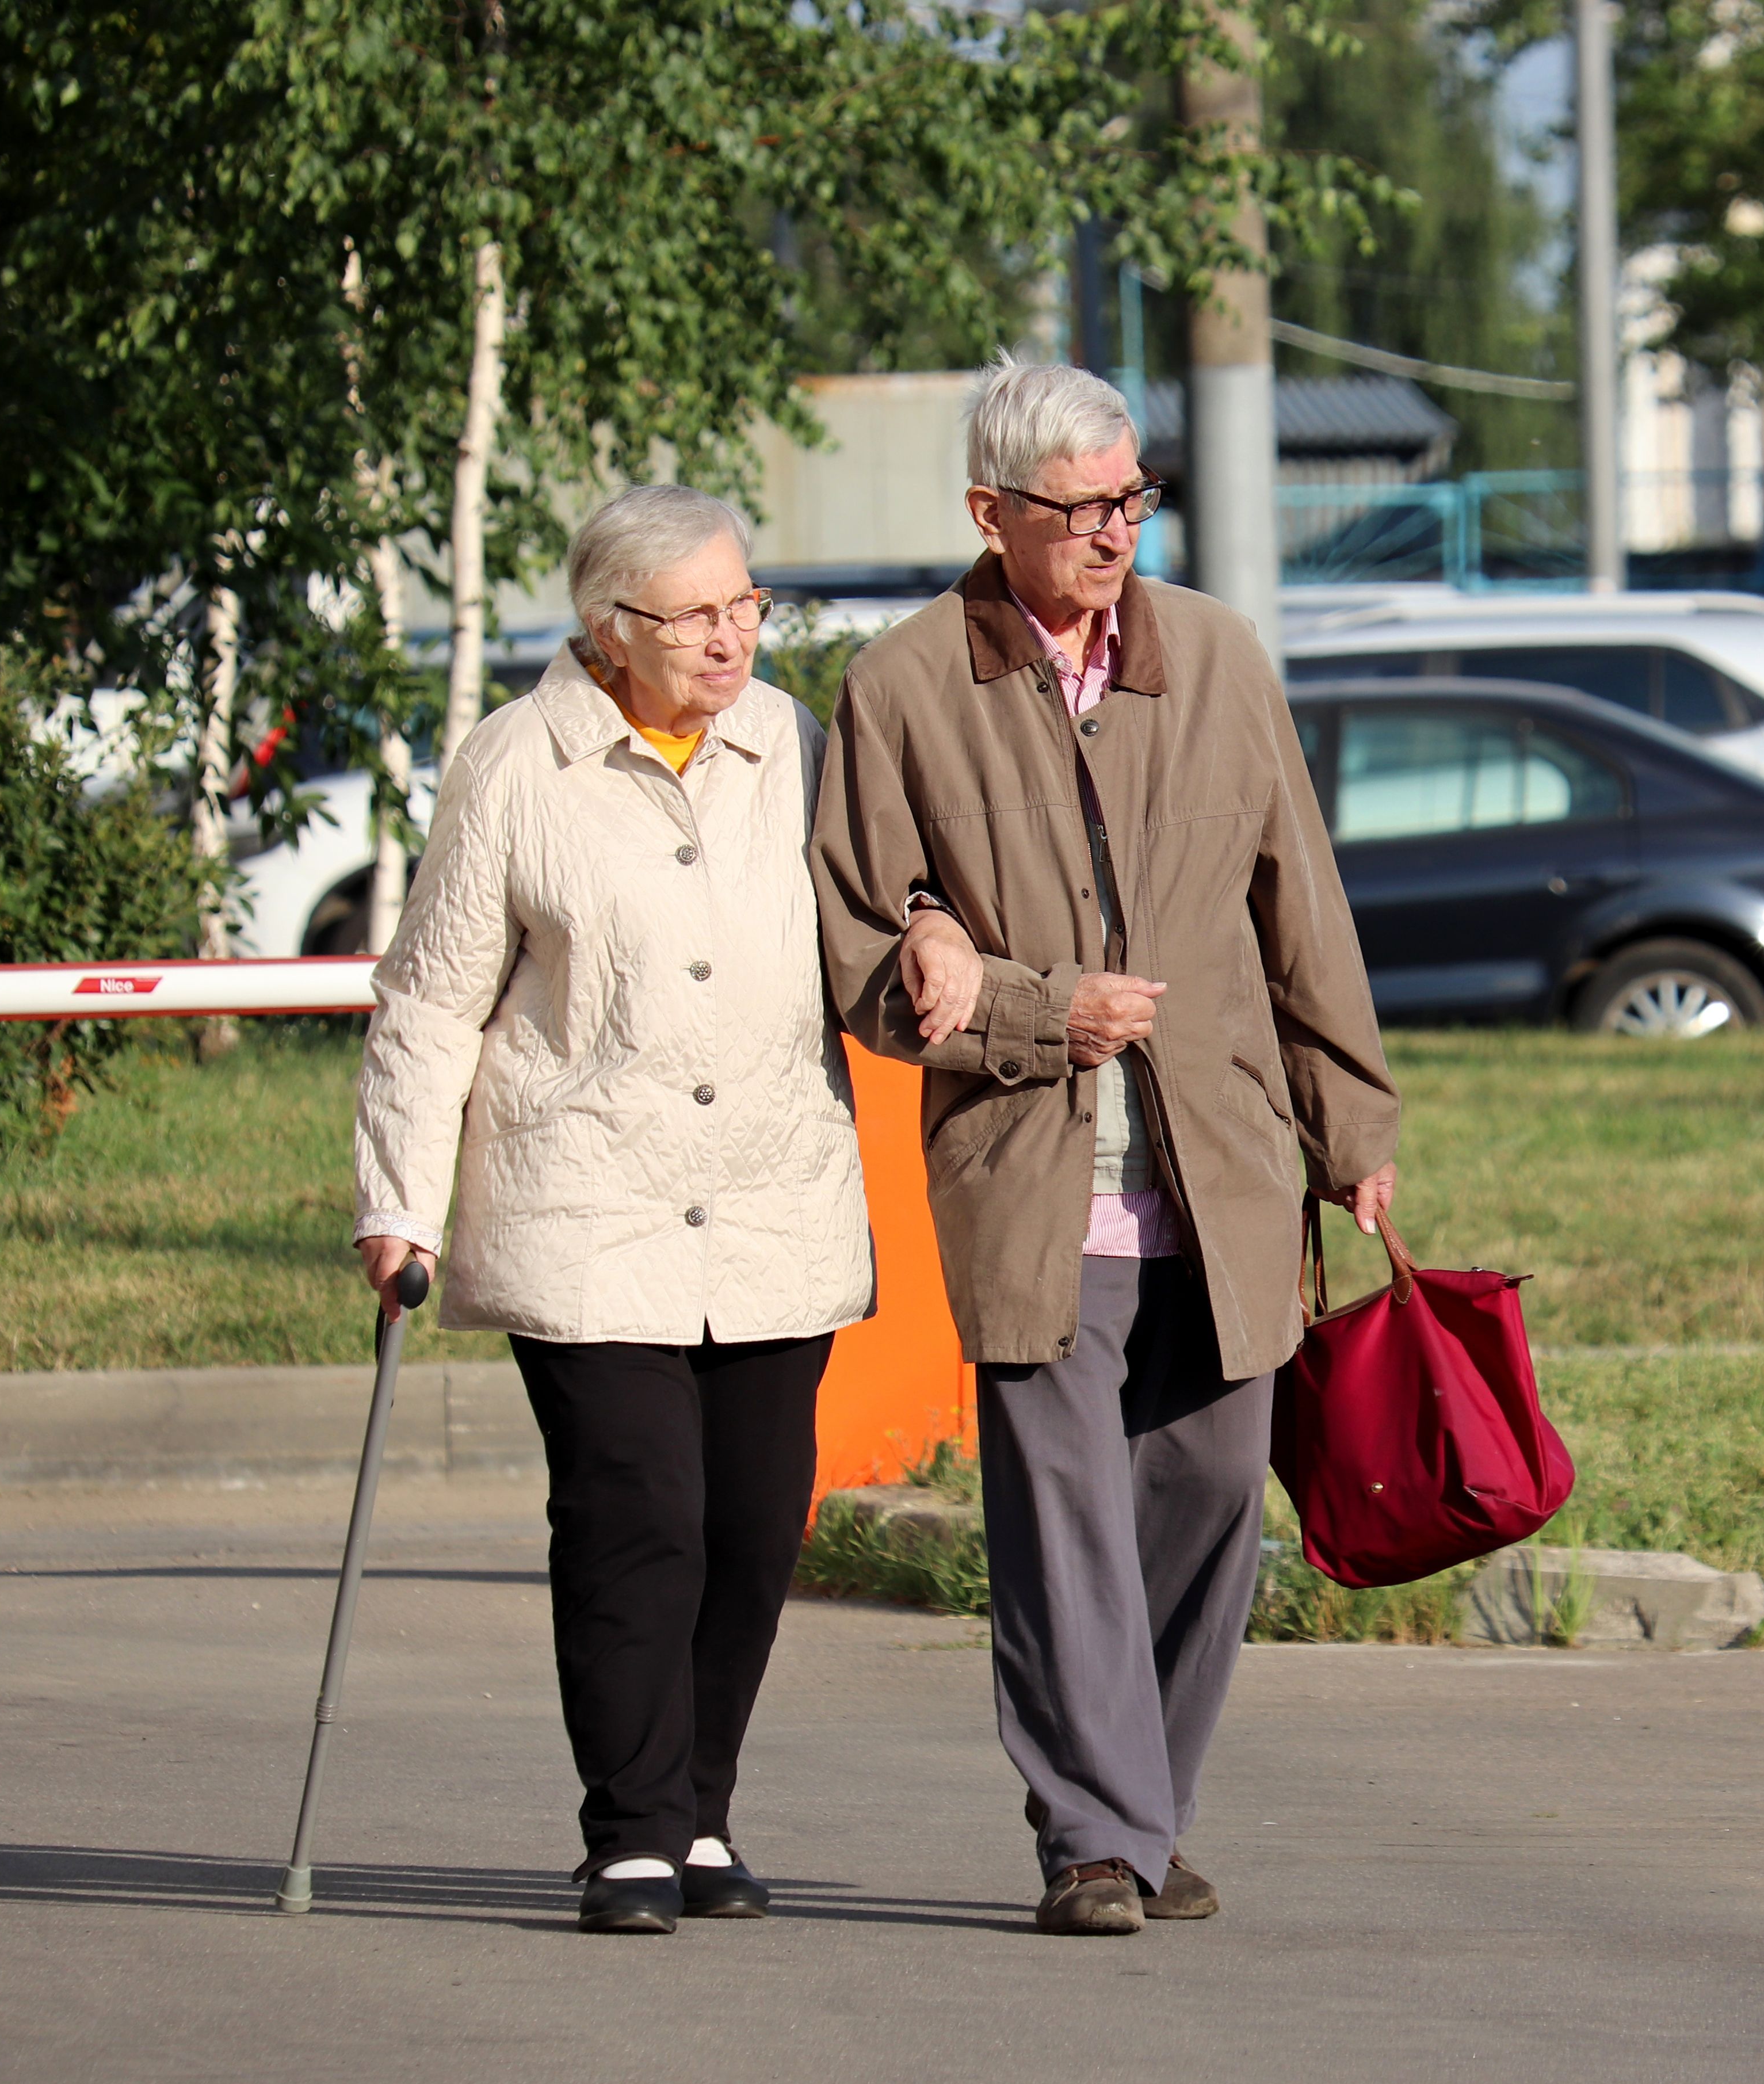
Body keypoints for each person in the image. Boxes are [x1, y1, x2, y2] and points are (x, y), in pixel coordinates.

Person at [811, 358, 1398, 1937]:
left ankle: (1141, 1807)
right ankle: (1091, 1837)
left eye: (1132, 500)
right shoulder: (906, 687)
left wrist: (1353, 1123)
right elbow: (865, 954)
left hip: (1224, 1166)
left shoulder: (1214, 657)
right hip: (1029, 1173)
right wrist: (1032, 1011)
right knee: (1061, 1521)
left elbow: (1303, 911)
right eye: (1079, 509)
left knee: (1206, 1503)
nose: (1114, 534)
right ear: (989, 514)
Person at [353, 485, 872, 1936]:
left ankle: (703, 1811)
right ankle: (633, 1831)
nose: (734, 634)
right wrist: (400, 1197)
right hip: (585, 1197)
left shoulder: (794, 745)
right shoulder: (518, 764)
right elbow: (432, 999)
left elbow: (876, 921)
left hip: (772, 1190)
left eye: (746, 603)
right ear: (611, 630)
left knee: (760, 1524)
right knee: (640, 1511)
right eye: (700, 612)